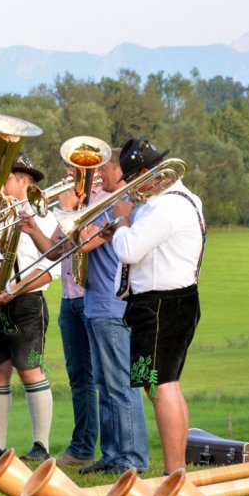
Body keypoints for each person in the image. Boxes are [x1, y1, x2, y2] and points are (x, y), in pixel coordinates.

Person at [108, 138, 204, 474]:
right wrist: (127, 224)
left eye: (133, 180)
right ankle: (176, 470)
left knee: (159, 386)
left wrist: (121, 221)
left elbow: (129, 251)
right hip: (172, 301)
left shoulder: (164, 206)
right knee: (165, 385)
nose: (130, 189)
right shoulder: (179, 198)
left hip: (162, 304)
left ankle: (174, 472)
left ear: (148, 173)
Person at [0, 152, 58, 463]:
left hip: (24, 302)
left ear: (24, 180)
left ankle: (41, 445)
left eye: (6, 177)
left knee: (29, 369)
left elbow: (52, 268)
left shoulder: (44, 213)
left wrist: (11, 292)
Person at [71, 149, 150, 475]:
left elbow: (83, 243)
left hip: (112, 306)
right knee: (104, 384)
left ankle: (132, 459)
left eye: (106, 169)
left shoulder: (121, 205)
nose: (100, 175)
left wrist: (75, 215)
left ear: (120, 170)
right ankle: (113, 454)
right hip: (94, 304)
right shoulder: (104, 205)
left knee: (121, 385)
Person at [53, 170, 98, 469]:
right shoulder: (68, 204)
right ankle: (82, 447)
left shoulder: (102, 201)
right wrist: (34, 228)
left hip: (93, 297)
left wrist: (69, 211)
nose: (68, 174)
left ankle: (118, 450)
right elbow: (54, 251)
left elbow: (86, 243)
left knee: (105, 379)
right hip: (69, 298)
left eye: (74, 169)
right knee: (79, 377)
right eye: (66, 168)